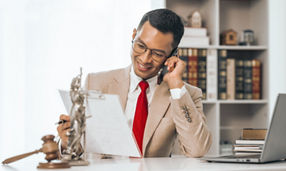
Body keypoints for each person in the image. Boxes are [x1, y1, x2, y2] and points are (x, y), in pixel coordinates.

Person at [57, 8, 211, 157]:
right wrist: (67, 142)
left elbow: (197, 149)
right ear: (133, 35)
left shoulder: (186, 95)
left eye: (157, 54)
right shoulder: (96, 83)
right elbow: (79, 147)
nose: (144, 59)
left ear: (173, 54)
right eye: (141, 46)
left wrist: (176, 84)